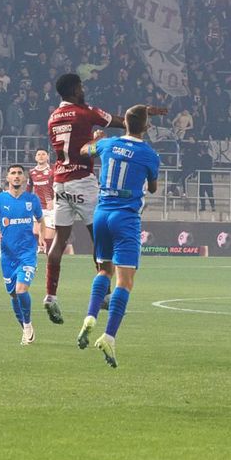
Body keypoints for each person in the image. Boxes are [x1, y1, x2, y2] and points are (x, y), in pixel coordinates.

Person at [43, 73, 136, 323]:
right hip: (83, 181)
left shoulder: (53, 117)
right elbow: (119, 122)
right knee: (101, 238)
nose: (83, 90)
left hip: (60, 182)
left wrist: (91, 141)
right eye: (81, 87)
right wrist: (137, 121)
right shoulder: (84, 113)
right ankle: (105, 295)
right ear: (75, 90)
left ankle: (50, 296)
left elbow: (71, 147)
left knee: (58, 241)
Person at [76, 105, 161, 368]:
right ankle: (109, 336)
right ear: (146, 127)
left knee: (104, 270)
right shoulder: (149, 155)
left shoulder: (108, 144)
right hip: (125, 218)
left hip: (102, 214)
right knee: (125, 282)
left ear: (124, 123)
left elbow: (84, 150)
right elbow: (153, 188)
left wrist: (97, 139)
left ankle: (90, 316)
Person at [0, 164, 44, 346]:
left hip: (27, 253)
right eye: (13, 173)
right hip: (8, 255)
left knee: (21, 289)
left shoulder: (32, 199)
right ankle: (24, 327)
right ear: (7, 178)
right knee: (13, 295)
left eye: (19, 173)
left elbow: (41, 220)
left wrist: (41, 237)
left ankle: (28, 324)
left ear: (24, 178)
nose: (16, 176)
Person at [28, 149, 56, 254]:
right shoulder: (32, 172)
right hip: (37, 207)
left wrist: (53, 200)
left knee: (48, 237)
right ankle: (36, 255)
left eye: (43, 154)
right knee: (34, 232)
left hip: (51, 208)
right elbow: (28, 189)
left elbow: (59, 187)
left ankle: (50, 257)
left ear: (47, 157)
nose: (41, 156)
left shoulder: (53, 171)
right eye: (38, 154)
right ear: (35, 157)